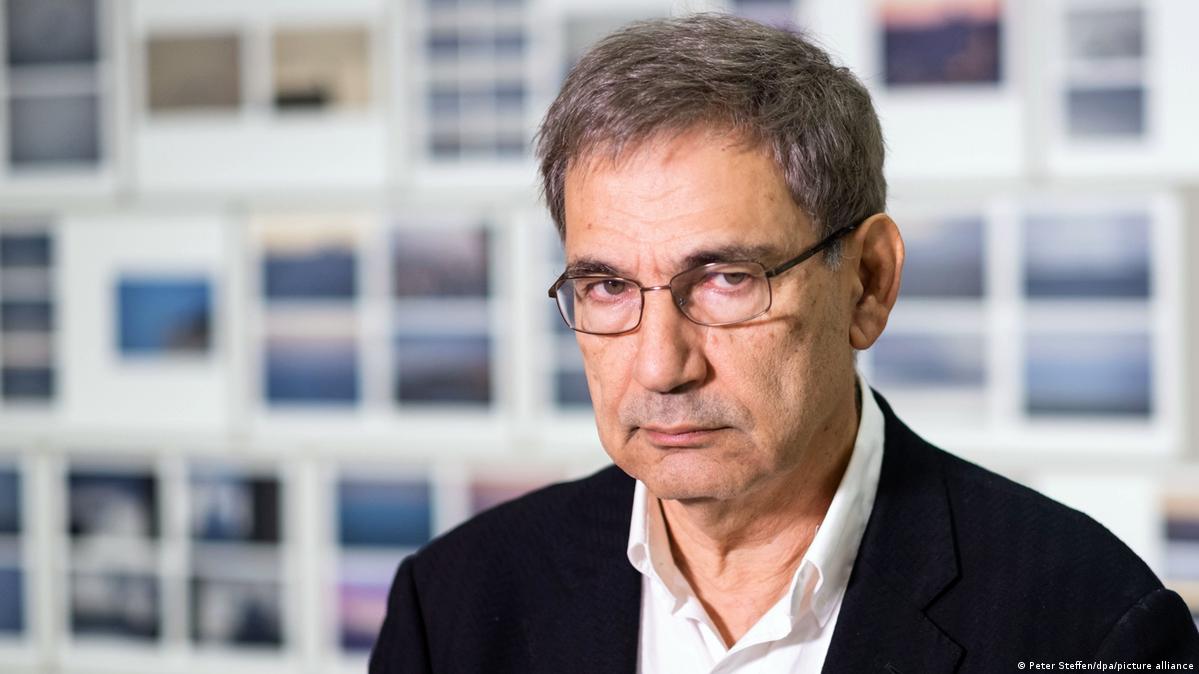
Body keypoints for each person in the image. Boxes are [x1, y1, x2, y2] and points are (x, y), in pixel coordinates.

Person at [370, 14, 1199, 673]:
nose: (660, 366)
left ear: (867, 282)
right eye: (609, 287)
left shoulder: (1093, 624)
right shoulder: (451, 605)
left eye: (725, 279)